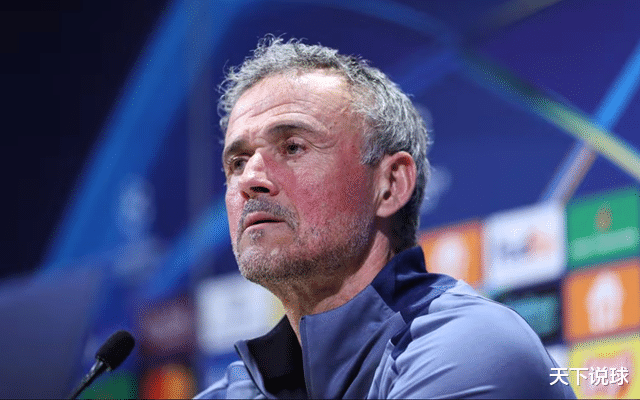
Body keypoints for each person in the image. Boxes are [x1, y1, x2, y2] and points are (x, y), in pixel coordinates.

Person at [195, 36, 576, 399]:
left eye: (293, 147)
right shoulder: (232, 391)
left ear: (391, 184)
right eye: (237, 162)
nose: (251, 179)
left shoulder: (471, 349)